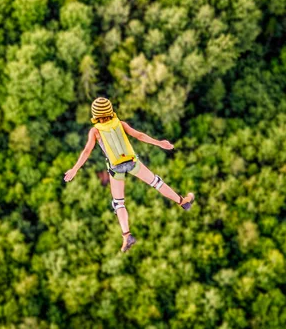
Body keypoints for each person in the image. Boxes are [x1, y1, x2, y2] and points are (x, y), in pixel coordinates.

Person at [64, 97, 195, 252]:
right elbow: (140, 136)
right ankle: (182, 201)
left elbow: (87, 151)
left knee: (119, 202)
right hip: (132, 162)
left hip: (116, 167)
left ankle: (127, 235)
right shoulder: (120, 124)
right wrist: (160, 143)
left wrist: (75, 169)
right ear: (110, 110)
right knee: (156, 182)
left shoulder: (95, 131)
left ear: (95, 115)